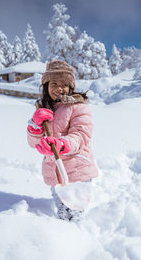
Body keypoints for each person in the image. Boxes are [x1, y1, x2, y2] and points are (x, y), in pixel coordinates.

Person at [26, 60, 98, 222]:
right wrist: (35, 127)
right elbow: (33, 143)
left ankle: (80, 241)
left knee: (75, 217)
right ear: (46, 86)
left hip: (77, 169)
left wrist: (61, 145)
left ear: (71, 87)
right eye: (54, 83)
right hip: (56, 172)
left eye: (64, 84)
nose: (59, 88)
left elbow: (81, 134)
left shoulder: (78, 107)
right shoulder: (43, 110)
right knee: (63, 215)